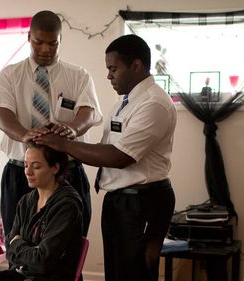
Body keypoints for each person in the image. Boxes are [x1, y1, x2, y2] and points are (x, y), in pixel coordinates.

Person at [35, 34, 177, 281]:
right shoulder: (126, 101)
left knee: (135, 273)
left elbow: (119, 157)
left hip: (143, 202)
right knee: (117, 272)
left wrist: (64, 144)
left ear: (136, 65)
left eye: (113, 69)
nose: (109, 75)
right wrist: (61, 148)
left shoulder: (154, 104)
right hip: (120, 201)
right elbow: (105, 148)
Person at [0, 10, 102, 236]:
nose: (45, 49)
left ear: (61, 41)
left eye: (53, 44)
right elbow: (3, 115)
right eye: (39, 42)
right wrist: (24, 135)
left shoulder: (78, 76)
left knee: (71, 244)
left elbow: (88, 112)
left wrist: (73, 129)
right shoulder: (9, 75)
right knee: (18, 241)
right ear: (29, 37)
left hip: (66, 173)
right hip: (22, 172)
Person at [0, 141, 83, 281]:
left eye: (36, 166)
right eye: (26, 165)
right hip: (21, 274)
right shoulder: (26, 201)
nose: (28, 172)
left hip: (50, 278)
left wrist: (18, 243)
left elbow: (43, 262)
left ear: (55, 168)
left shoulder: (67, 204)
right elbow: (9, 252)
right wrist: (27, 250)